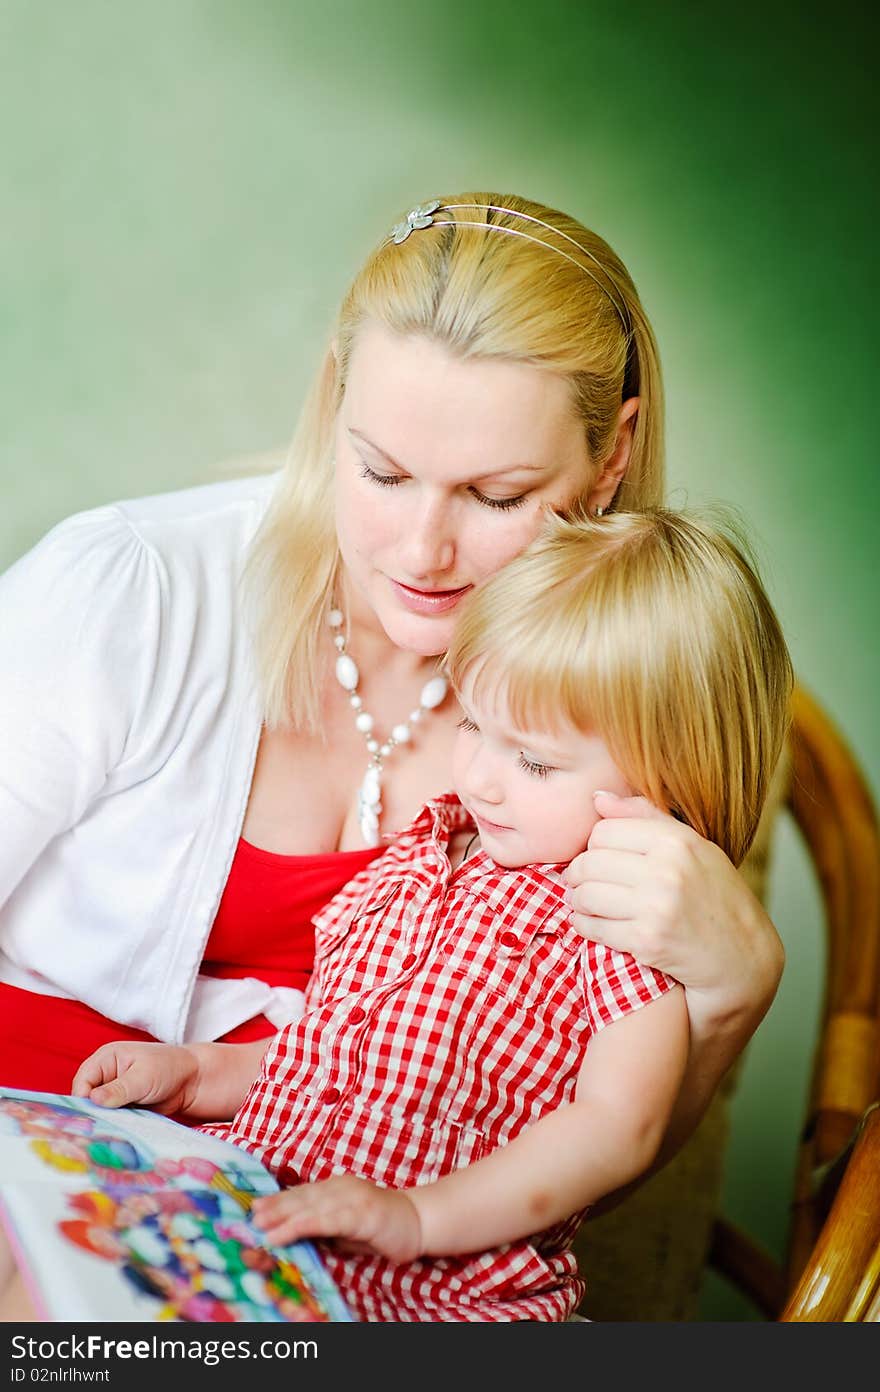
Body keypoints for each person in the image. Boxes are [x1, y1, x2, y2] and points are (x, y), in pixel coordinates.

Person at [0, 192, 783, 1170]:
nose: (422, 549)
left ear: (610, 458)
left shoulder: (613, 723)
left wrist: (728, 996)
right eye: (380, 472)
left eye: (496, 496)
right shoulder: (131, 591)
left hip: (312, 1253)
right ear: (335, 407)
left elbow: (546, 1181)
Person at [52, 507, 793, 1323]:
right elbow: (325, 1056)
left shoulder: (613, 917)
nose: (483, 776)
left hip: (437, 1289)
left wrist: (417, 1218)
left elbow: (618, 1127)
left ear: (675, 782)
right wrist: (200, 1074)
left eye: (536, 760)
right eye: (473, 723)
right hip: (273, 1228)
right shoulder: (422, 852)